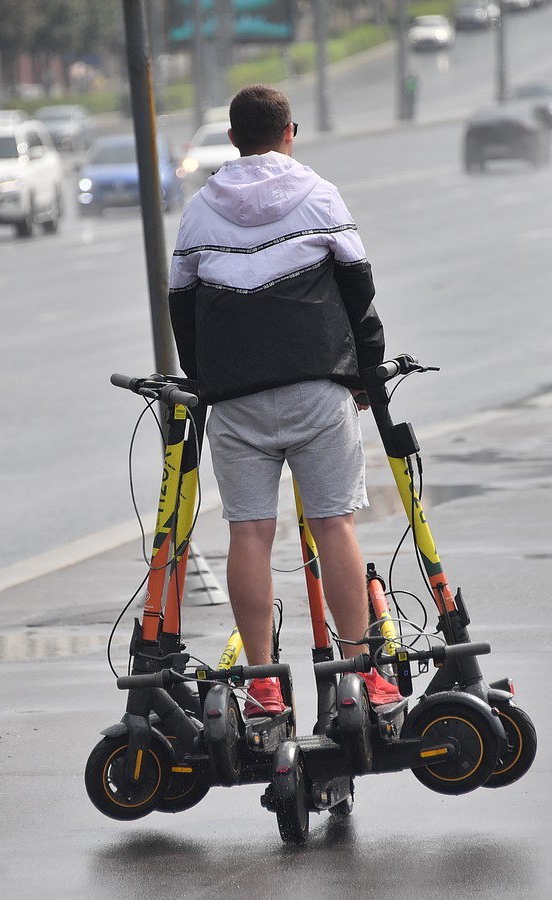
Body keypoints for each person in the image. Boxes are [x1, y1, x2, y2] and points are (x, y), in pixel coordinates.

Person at [168, 84, 401, 716]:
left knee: (250, 532)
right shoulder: (319, 195)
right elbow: (359, 294)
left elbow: (183, 311)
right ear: (289, 131)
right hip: (316, 389)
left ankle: (264, 681)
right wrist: (365, 377)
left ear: (232, 138)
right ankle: (363, 673)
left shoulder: (198, 212)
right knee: (333, 525)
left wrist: (206, 378)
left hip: (235, 401)